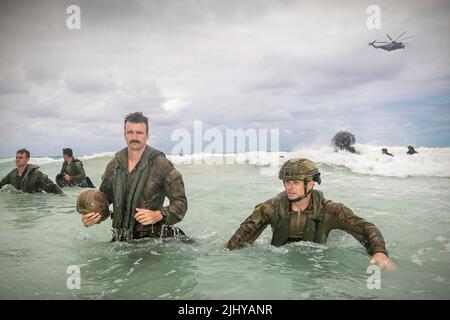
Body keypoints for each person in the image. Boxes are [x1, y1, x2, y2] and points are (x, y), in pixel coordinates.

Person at [226, 158, 396, 270]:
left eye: (296, 183)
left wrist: (380, 252)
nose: (289, 187)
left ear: (311, 184)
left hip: (316, 259)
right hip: (283, 260)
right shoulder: (270, 207)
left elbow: (366, 227)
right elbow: (242, 234)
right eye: (286, 182)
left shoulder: (330, 210)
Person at [81, 112, 188, 241]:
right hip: (121, 239)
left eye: (140, 133)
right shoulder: (114, 165)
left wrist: (160, 215)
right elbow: (103, 202)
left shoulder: (161, 165)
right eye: (130, 132)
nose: (134, 137)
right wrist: (92, 218)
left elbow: (181, 202)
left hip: (151, 239)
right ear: (124, 135)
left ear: (147, 136)